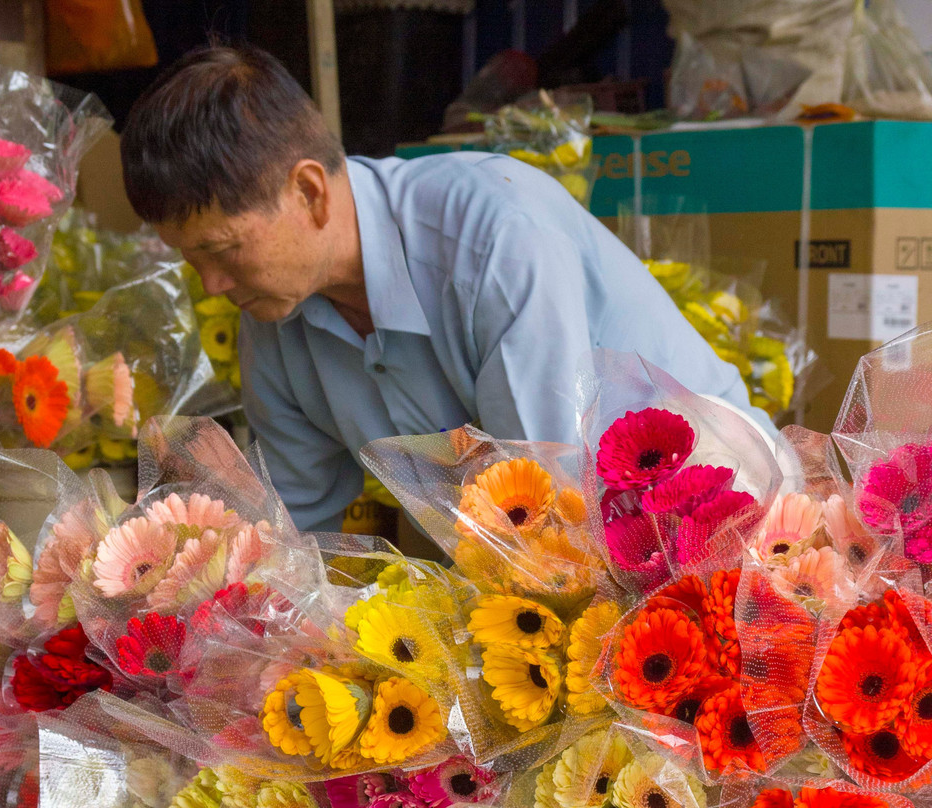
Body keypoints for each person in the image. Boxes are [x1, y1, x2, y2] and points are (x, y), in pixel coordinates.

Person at [120, 44, 773, 533]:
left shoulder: (493, 239)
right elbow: (291, 533)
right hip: (523, 568)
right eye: (190, 259)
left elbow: (552, 502)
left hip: (713, 520)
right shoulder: (276, 320)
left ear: (310, 191)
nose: (211, 283)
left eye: (223, 249)